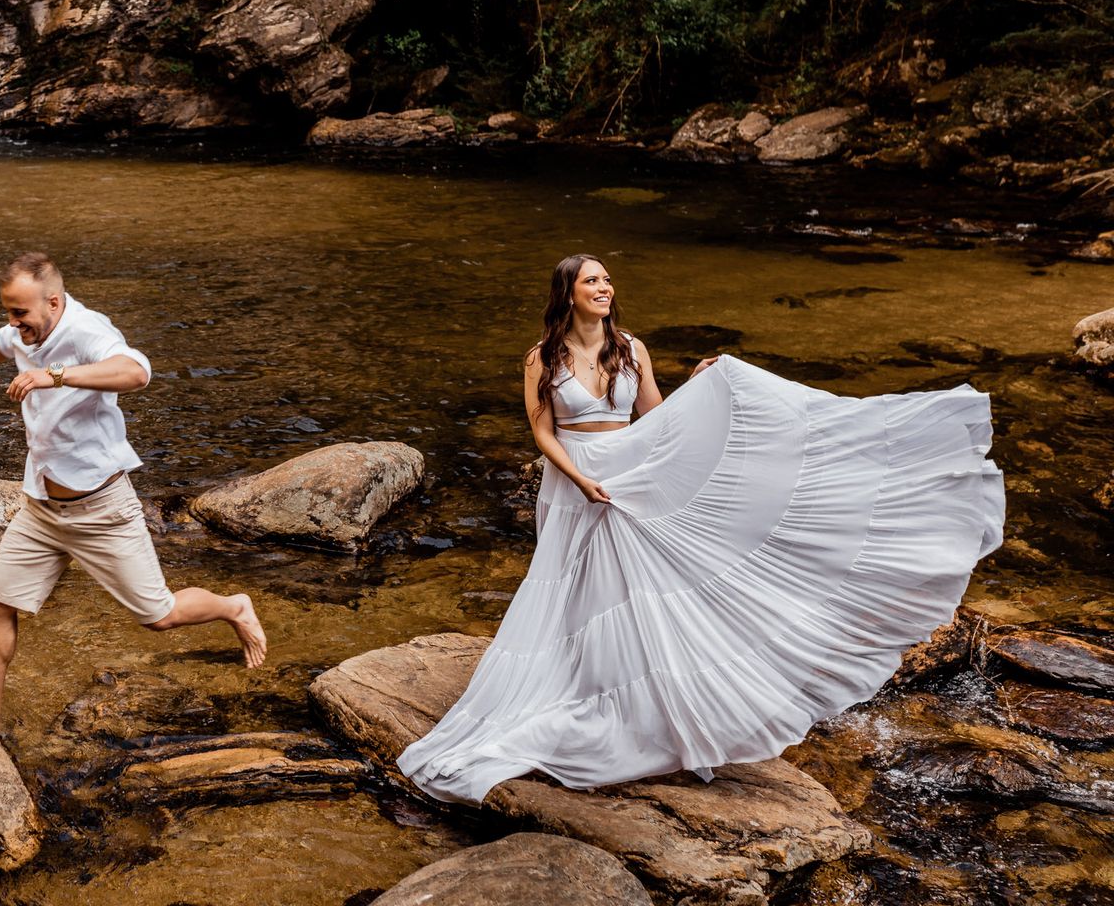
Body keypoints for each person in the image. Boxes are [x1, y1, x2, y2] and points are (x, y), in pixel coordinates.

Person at [398, 252, 1006, 803]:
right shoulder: (541, 357)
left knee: (632, 592)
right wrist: (579, 481)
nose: (605, 287)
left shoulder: (631, 349)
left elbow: (656, 417)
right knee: (572, 592)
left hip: (631, 474)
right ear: (567, 293)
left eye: (608, 279)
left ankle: (642, 709)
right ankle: (579, 685)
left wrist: (703, 390)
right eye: (592, 281)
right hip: (575, 480)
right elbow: (541, 432)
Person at [0, 251, 267, 736]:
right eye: (8, 311)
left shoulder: (87, 330)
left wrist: (55, 375)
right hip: (41, 506)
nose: (13, 323)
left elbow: (136, 371)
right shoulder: (22, 330)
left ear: (54, 302)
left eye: (20, 313)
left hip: (102, 509)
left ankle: (234, 607)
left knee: (159, 617)